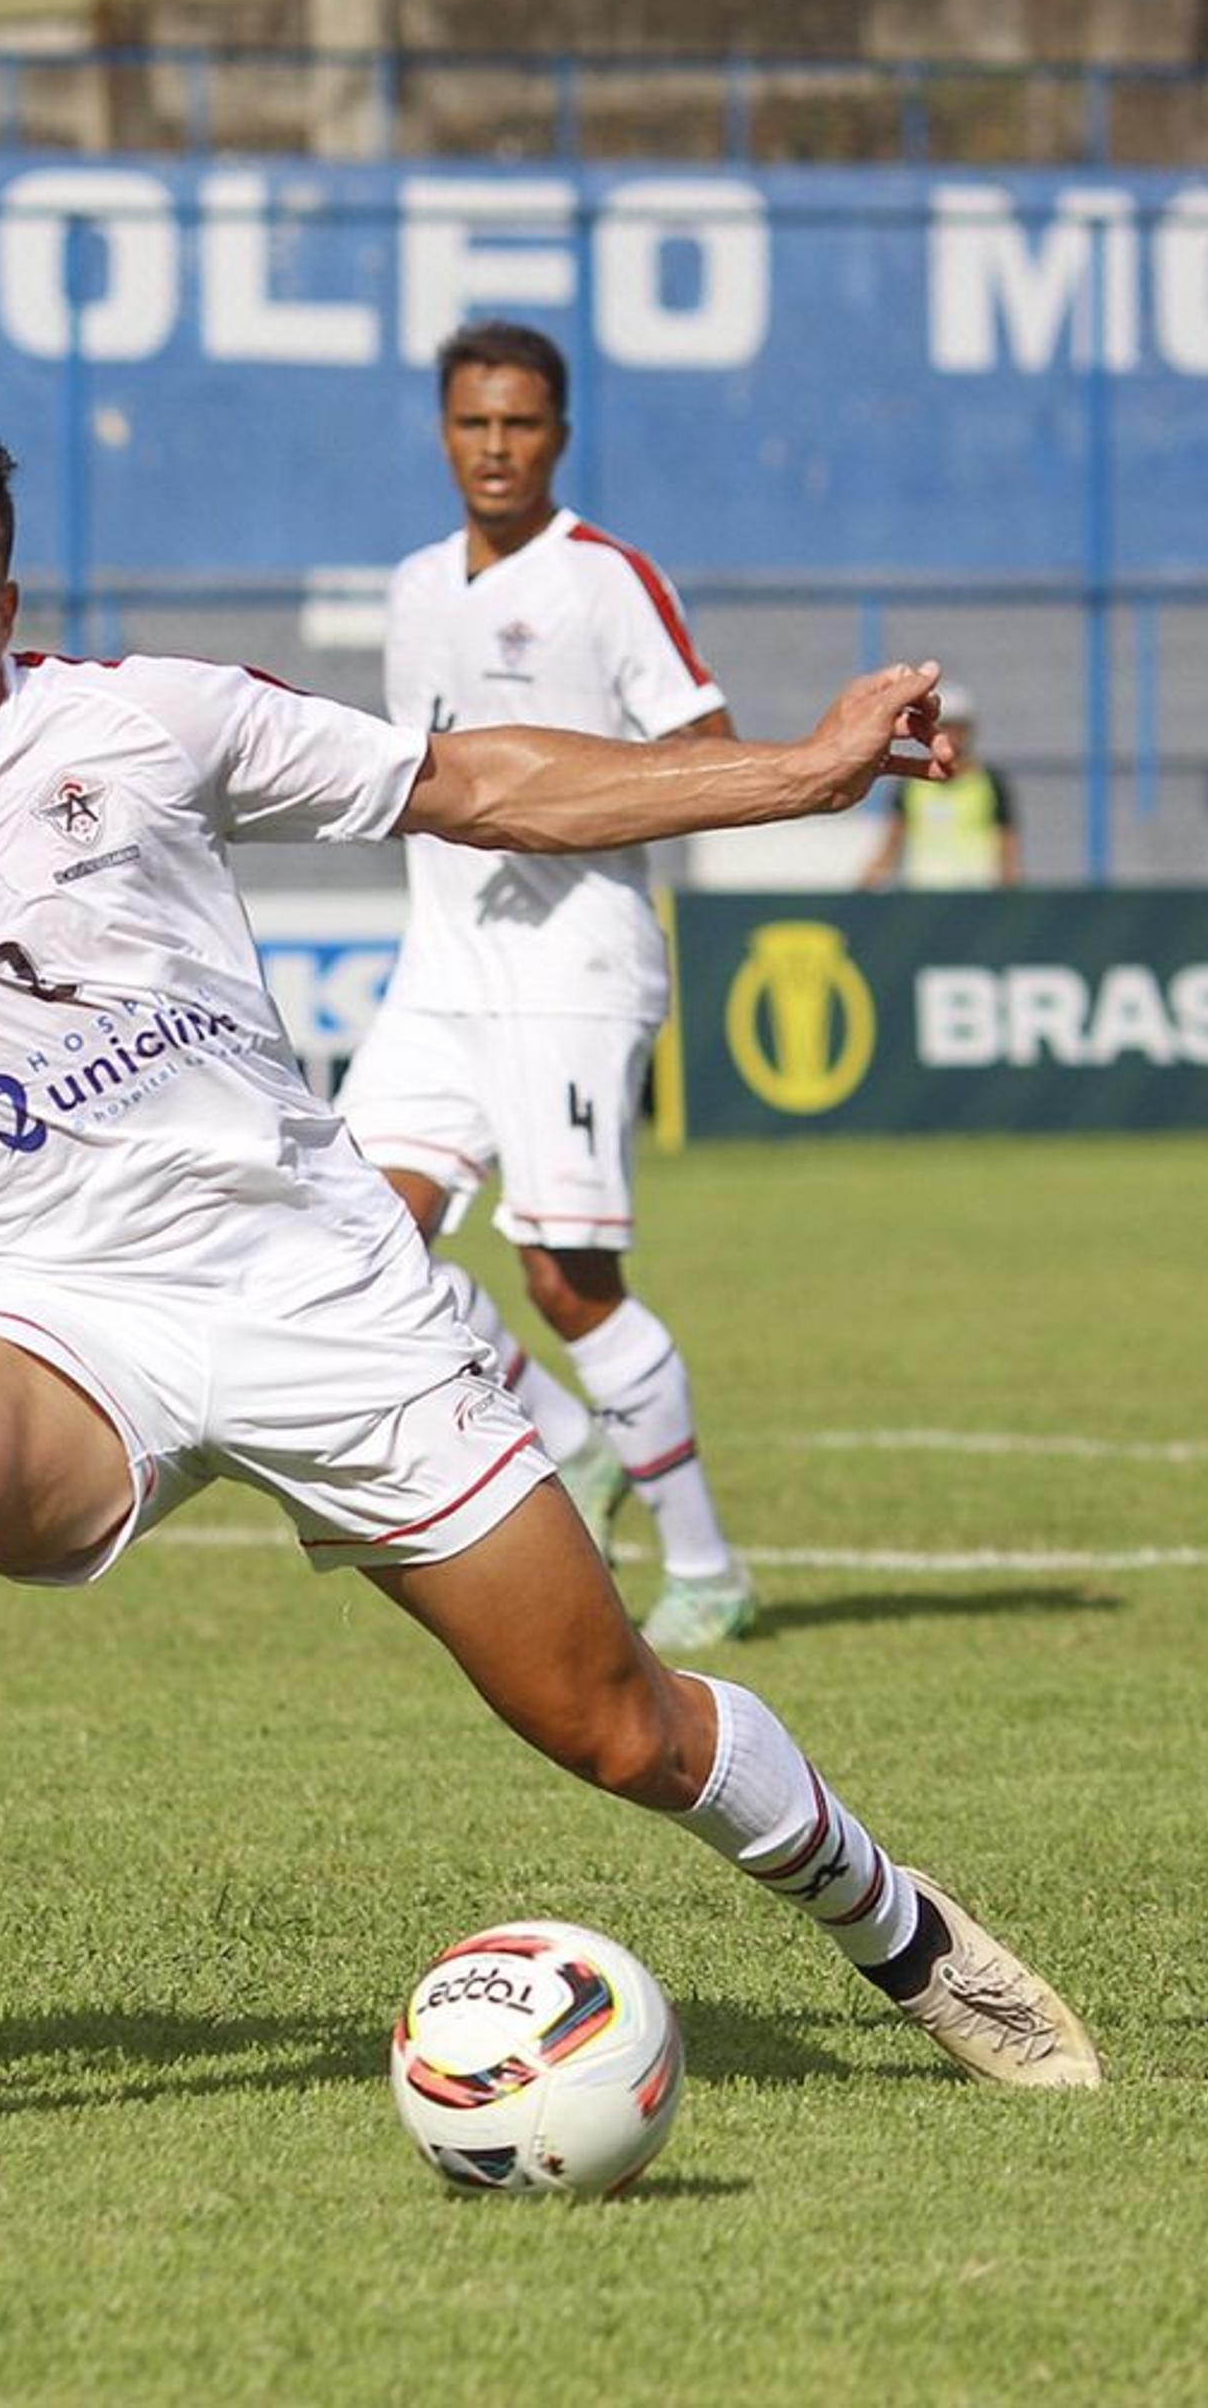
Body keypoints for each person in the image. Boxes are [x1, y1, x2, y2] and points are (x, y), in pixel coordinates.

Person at [0, 417, 1104, 2155]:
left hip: (325, 1299)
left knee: (614, 1719)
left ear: (5, 597)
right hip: (52, 1308)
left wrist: (797, 770)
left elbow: (476, 783)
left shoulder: (147, 715)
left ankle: (909, 1935)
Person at [336, 320, 754, 1656]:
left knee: (568, 1280)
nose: (497, 447)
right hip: (443, 964)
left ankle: (708, 1565)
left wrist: (568, 809)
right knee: (356, 1243)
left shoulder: (605, 581)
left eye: (521, 424)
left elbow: (712, 756)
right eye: (474, 423)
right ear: (444, 432)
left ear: (559, 435)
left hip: (574, 961)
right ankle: (568, 1440)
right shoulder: (411, 585)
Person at [857, 682, 1020, 890]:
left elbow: (1007, 846)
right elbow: (893, 841)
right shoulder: (911, 785)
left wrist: (1011, 896)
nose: (952, 735)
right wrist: (864, 886)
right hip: (923, 900)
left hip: (977, 898)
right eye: (945, 727)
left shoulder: (991, 783)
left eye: (958, 727)